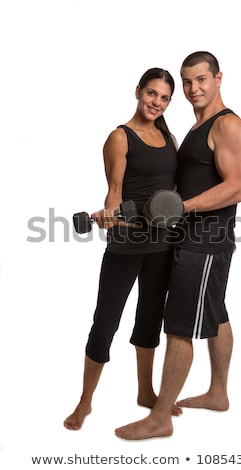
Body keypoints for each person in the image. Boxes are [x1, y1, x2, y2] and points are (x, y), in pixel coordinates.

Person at [115, 51, 241, 440]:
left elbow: (236, 186)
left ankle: (160, 417)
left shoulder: (230, 127)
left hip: (204, 244)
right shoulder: (198, 127)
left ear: (218, 78)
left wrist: (182, 207)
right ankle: (219, 393)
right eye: (187, 82)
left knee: (179, 328)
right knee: (215, 314)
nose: (194, 88)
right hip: (192, 239)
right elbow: (190, 180)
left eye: (201, 80)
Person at [64, 67, 181, 430]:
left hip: (162, 243)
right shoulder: (120, 137)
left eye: (163, 98)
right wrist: (110, 214)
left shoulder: (168, 137)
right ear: (137, 91)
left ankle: (146, 391)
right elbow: (114, 190)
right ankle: (85, 402)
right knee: (105, 322)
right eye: (151, 94)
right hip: (126, 244)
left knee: (149, 319)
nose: (156, 103)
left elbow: (171, 189)